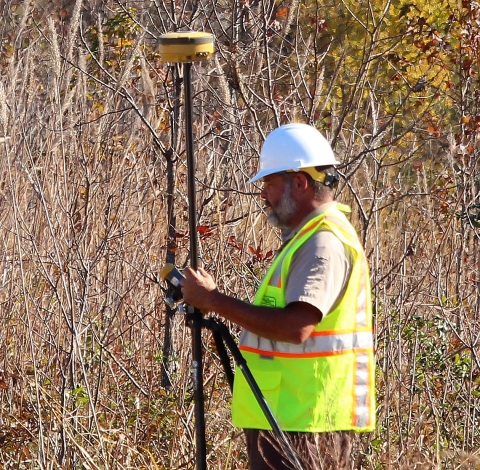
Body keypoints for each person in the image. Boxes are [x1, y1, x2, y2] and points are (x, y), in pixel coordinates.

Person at [180, 123, 375, 470]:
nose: (264, 195)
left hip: (306, 422)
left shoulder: (323, 243)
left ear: (299, 183)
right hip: (290, 416)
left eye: (269, 183)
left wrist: (213, 300)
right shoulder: (308, 238)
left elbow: (296, 327)